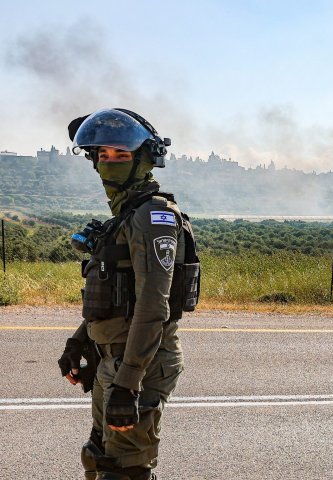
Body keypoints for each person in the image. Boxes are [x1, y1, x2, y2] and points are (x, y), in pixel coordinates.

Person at [58, 108, 200, 480]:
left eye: (121, 155)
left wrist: (128, 383)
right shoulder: (124, 217)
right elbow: (116, 298)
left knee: (125, 470)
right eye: (103, 154)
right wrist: (80, 341)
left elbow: (153, 306)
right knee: (99, 458)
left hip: (141, 362)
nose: (109, 162)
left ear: (144, 160)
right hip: (114, 358)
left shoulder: (153, 217)